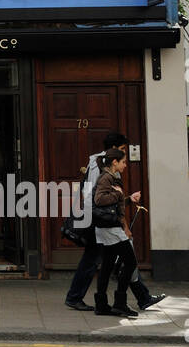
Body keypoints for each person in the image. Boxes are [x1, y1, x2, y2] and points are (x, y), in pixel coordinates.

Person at [65, 133, 166, 312]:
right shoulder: (100, 166)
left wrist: (123, 199)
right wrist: (117, 201)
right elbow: (92, 195)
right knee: (106, 259)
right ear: (114, 150)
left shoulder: (105, 165)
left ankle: (132, 299)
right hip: (100, 220)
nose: (124, 157)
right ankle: (81, 298)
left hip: (100, 218)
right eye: (122, 150)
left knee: (108, 260)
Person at [93, 148, 139, 317]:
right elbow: (99, 200)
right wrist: (118, 195)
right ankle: (119, 303)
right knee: (130, 262)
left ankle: (102, 303)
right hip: (111, 228)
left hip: (107, 227)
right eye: (123, 162)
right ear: (115, 162)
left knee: (107, 265)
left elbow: (112, 204)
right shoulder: (106, 178)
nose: (125, 165)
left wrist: (127, 199)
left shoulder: (110, 177)